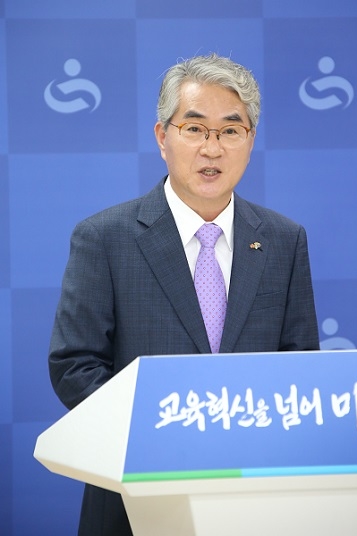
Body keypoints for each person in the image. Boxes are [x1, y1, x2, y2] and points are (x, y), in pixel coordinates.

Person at [49, 53, 320, 535]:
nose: (212, 149)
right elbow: (75, 366)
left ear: (250, 140)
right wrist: (164, 433)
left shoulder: (284, 240)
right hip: (134, 494)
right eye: (194, 129)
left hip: (255, 498)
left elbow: (299, 368)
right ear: (162, 137)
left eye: (230, 130)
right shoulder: (104, 238)